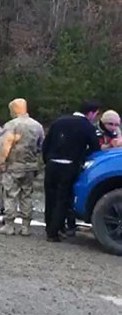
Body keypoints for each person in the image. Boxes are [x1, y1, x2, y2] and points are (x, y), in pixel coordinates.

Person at [42, 102, 101, 242]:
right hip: (69, 165)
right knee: (63, 198)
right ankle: (55, 231)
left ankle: (49, 226)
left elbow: (46, 143)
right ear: (91, 113)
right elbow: (95, 149)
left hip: (52, 163)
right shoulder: (87, 126)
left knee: (50, 197)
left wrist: (47, 159)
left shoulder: (59, 121)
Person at [0, 98, 44, 236]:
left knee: (10, 194)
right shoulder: (37, 126)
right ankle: (26, 226)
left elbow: (5, 146)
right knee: (27, 195)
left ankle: (9, 225)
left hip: (13, 166)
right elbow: (40, 146)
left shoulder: (12, 125)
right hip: (30, 166)